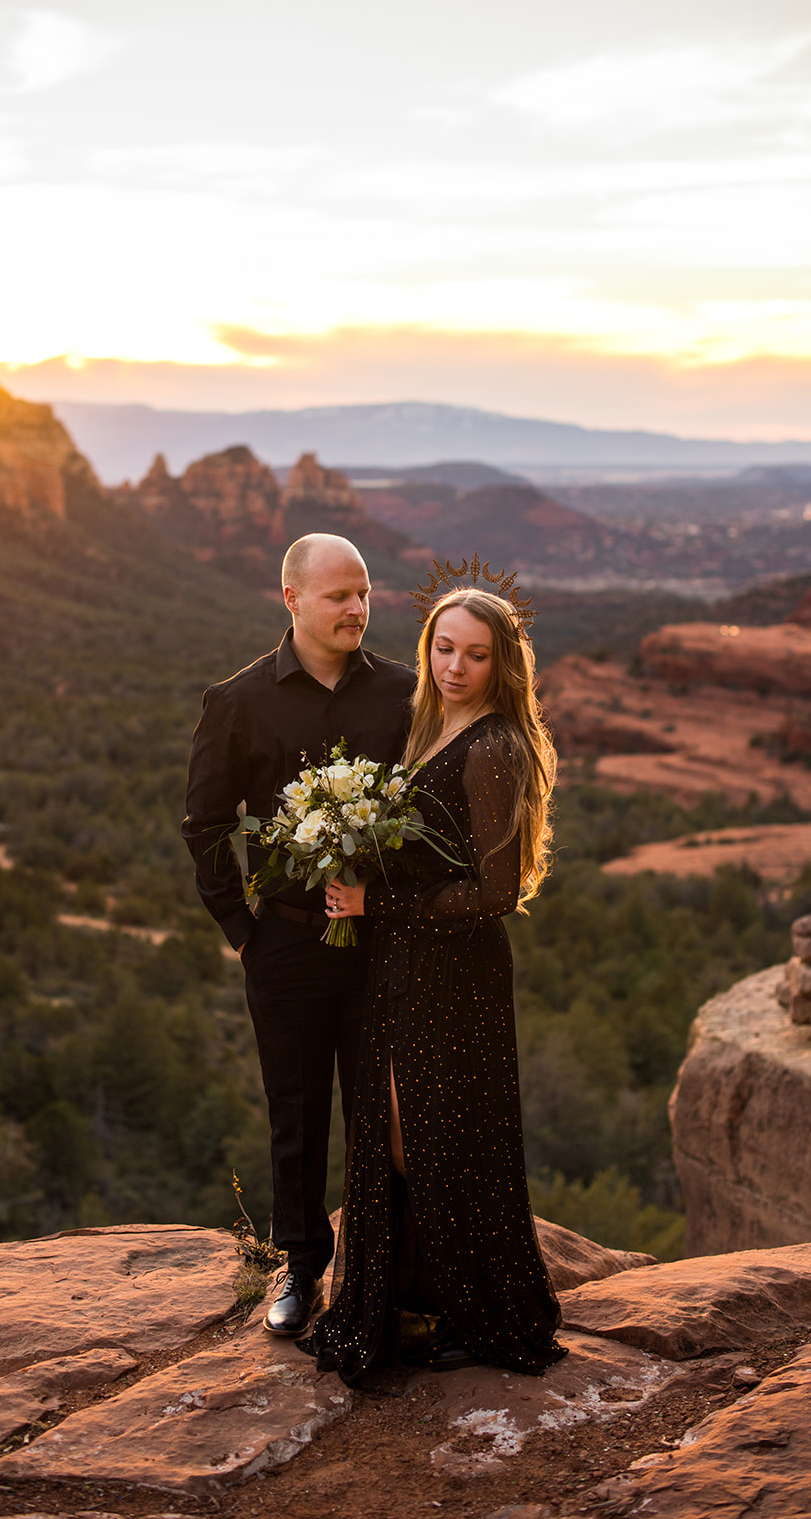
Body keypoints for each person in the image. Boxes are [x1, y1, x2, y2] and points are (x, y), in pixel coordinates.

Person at [301, 585, 568, 1381]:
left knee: (433, 1133)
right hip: (405, 960)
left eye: (476, 654)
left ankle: (468, 1307)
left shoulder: (492, 747)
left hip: (456, 969)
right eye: (444, 647)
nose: (455, 665)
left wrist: (369, 899)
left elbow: (494, 893)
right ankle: (419, 1294)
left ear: (501, 663)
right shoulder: (429, 724)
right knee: (398, 1127)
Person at [181, 533, 415, 1337]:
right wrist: (241, 929)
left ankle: (383, 1267)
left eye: (364, 593)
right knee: (298, 1106)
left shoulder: (404, 694)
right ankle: (303, 1264)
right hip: (283, 943)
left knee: (384, 1107)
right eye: (337, 596)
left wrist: (388, 896)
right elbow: (207, 822)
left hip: (382, 942)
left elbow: (429, 814)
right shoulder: (238, 700)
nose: (356, 608)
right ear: (292, 601)